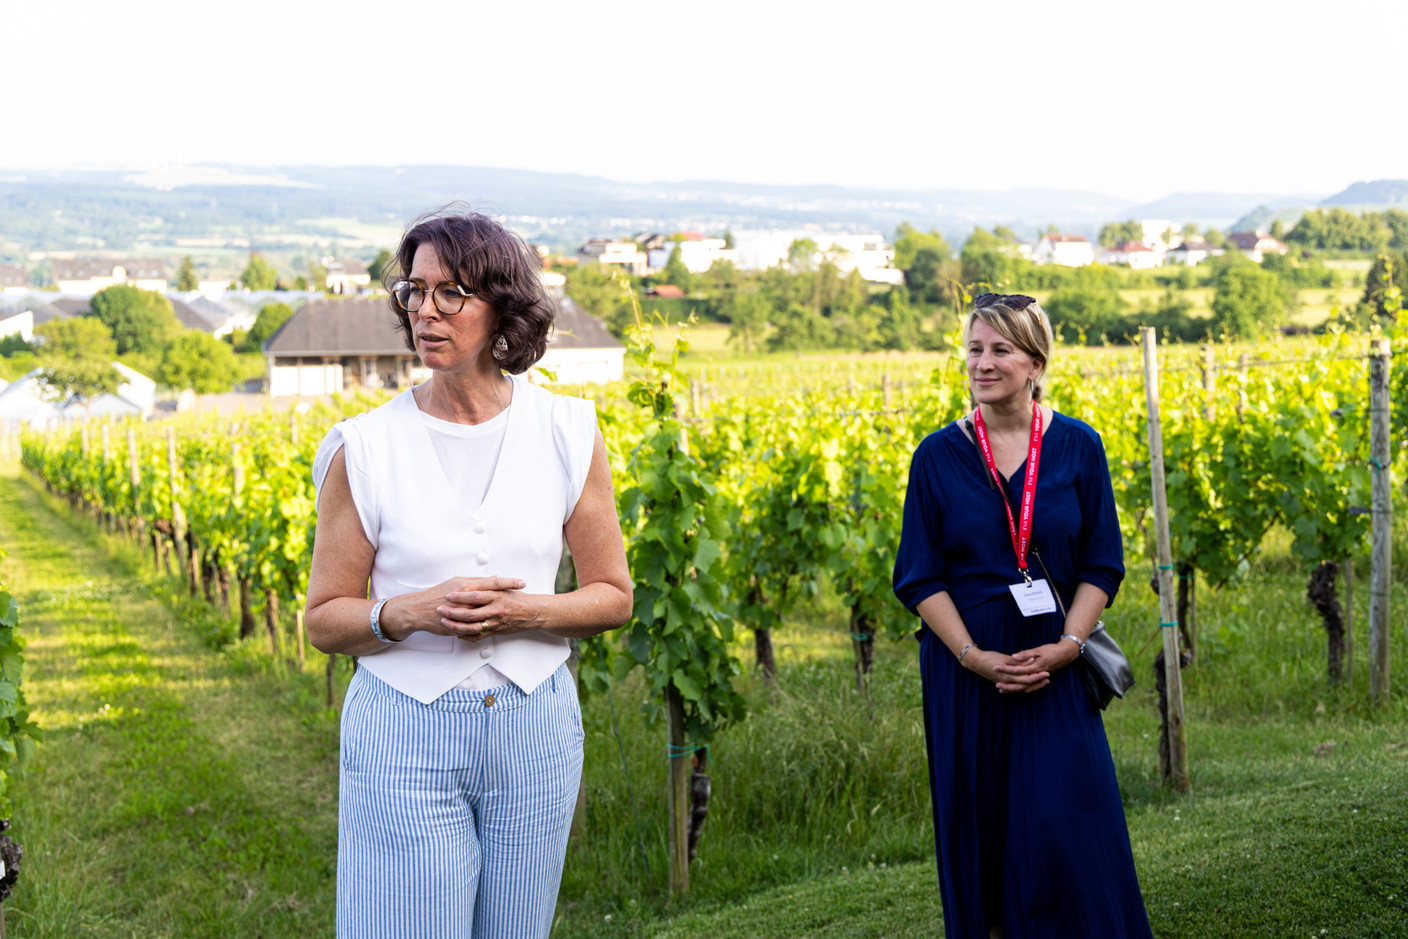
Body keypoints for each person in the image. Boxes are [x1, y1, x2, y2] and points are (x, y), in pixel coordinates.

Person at [305, 207, 633, 938]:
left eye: (450, 292)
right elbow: (324, 615)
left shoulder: (568, 431)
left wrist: (525, 615)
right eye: (413, 292)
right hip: (404, 735)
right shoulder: (363, 447)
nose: (425, 309)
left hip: (537, 731)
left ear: (501, 308)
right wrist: (408, 611)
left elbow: (614, 596)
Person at [893, 294, 1152, 939]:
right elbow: (919, 576)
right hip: (968, 670)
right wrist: (972, 657)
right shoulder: (936, 456)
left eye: (999, 349)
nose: (982, 363)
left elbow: (1102, 565)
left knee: (1065, 820)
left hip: (1055, 662)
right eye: (975, 349)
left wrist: (1069, 643)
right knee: (981, 826)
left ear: (1035, 363)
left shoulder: (1078, 447)